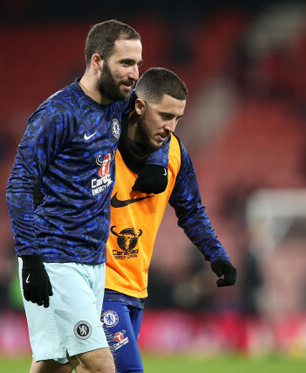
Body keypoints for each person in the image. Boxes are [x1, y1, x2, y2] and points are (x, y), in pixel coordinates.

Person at [6, 20, 169, 373]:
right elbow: (18, 184)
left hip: (94, 261)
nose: (134, 73)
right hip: (55, 258)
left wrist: (156, 159)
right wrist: (31, 259)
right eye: (125, 63)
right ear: (97, 62)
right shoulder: (58, 114)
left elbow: (158, 121)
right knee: (100, 365)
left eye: (138, 63)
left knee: (55, 364)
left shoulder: (117, 105)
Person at [101, 67, 237, 372]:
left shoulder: (175, 153)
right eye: (164, 115)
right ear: (139, 106)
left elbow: (192, 211)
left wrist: (217, 257)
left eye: (177, 118)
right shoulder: (100, 139)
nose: (171, 126)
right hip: (99, 284)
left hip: (136, 288)